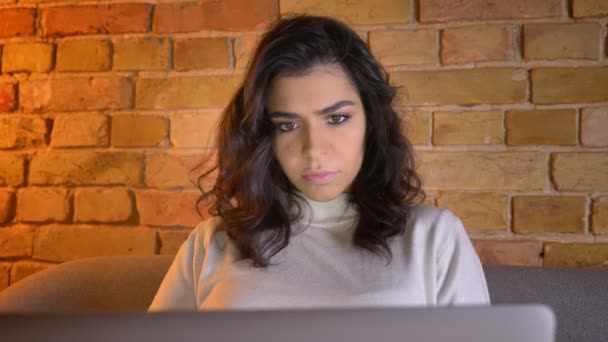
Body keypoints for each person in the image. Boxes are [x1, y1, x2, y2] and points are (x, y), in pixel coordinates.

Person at [148, 15, 489, 311]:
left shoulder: (433, 238)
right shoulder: (212, 243)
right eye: (288, 125)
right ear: (265, 134)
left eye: (337, 118)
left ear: (371, 121)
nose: (314, 150)